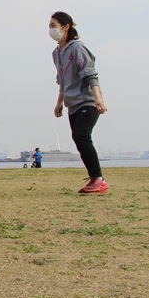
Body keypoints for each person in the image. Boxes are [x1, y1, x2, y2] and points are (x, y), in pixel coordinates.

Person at [50, 11, 109, 194]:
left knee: (80, 135)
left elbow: (90, 74)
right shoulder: (56, 53)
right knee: (80, 139)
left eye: (54, 25)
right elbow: (63, 81)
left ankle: (98, 180)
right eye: (49, 26)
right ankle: (95, 179)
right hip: (72, 105)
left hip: (87, 102)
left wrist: (98, 99)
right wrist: (59, 103)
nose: (51, 30)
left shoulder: (77, 48)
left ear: (66, 27)